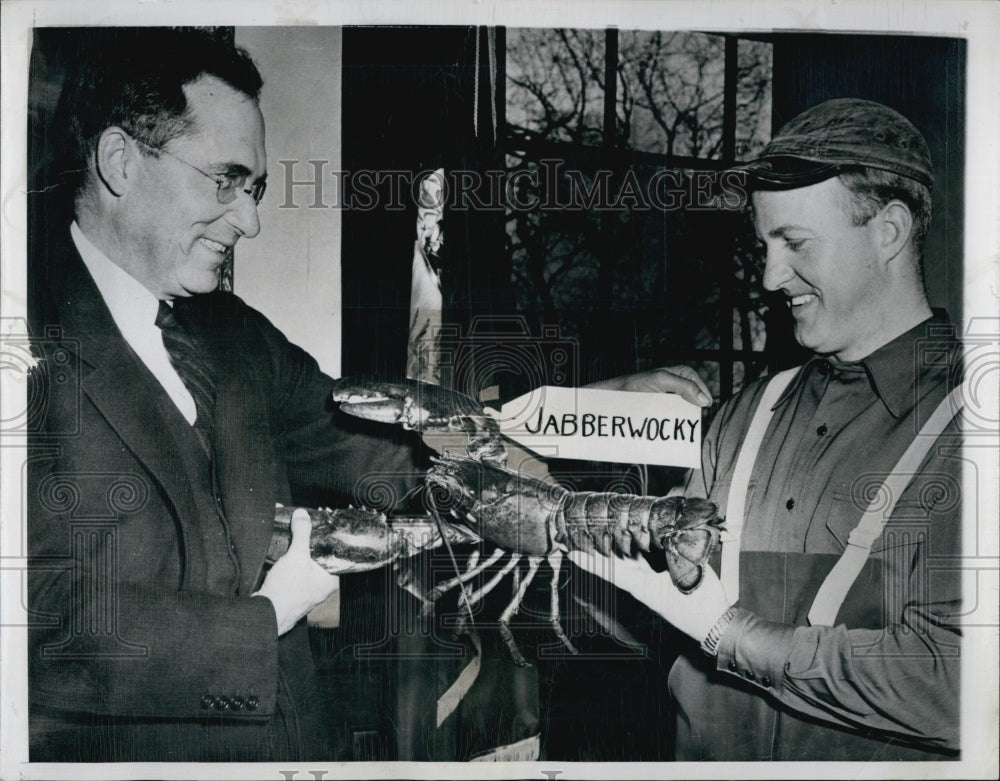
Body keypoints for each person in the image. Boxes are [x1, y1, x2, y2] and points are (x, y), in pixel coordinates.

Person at [25, 29, 709, 763]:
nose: (249, 220)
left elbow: (396, 457)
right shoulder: (20, 337)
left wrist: (588, 410)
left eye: (253, 189)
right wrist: (270, 615)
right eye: (225, 180)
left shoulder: (233, 335)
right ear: (120, 161)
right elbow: (38, 627)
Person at [569, 98, 964, 760]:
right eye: (764, 245)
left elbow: (957, 685)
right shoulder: (748, 413)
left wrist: (730, 633)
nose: (770, 277)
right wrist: (587, 409)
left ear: (890, 230)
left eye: (796, 244)